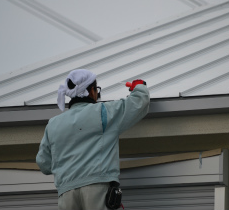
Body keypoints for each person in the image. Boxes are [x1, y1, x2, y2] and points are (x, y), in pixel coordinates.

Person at [36, 69, 150, 210]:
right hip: (97, 189)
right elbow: (138, 103)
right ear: (91, 90)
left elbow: (44, 164)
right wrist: (139, 87)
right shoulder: (102, 113)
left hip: (66, 194)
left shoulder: (53, 124)